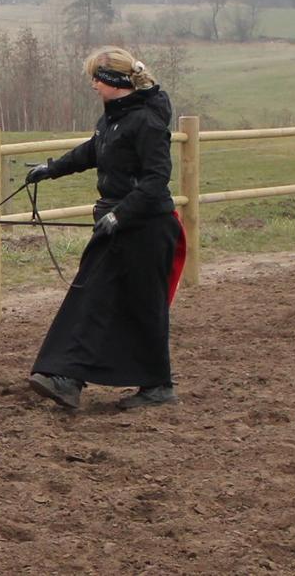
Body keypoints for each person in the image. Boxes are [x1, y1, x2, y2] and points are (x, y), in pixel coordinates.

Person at [24, 46, 186, 411]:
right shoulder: (113, 119)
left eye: (97, 78)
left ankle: (83, 379)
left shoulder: (146, 122)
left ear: (114, 81)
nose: (93, 85)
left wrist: (120, 215)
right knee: (100, 299)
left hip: (145, 228)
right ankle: (74, 378)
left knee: (117, 302)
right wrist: (51, 169)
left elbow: (156, 180)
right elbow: (94, 151)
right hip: (118, 226)